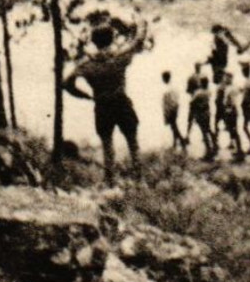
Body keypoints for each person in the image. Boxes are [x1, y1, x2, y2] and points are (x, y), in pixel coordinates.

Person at [62, 22, 150, 181]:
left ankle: (110, 181)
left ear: (95, 42)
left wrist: (86, 96)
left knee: (107, 147)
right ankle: (139, 179)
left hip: (101, 104)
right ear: (112, 39)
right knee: (133, 143)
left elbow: (67, 84)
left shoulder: (87, 65)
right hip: (121, 102)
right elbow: (138, 42)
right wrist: (142, 24)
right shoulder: (119, 57)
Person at [216, 71, 244, 161]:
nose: (225, 79)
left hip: (230, 110)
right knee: (233, 130)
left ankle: (239, 151)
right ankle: (238, 149)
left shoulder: (230, 88)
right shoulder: (232, 88)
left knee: (233, 130)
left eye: (226, 77)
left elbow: (230, 101)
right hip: (232, 110)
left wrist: (228, 108)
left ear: (229, 78)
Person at [188, 74, 216, 159]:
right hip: (207, 112)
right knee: (208, 129)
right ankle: (215, 144)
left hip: (200, 113)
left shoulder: (198, 93)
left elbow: (191, 102)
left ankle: (209, 151)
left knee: (204, 132)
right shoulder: (208, 91)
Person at [162, 71, 188, 151]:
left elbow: (167, 102)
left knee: (173, 127)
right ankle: (175, 143)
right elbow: (177, 98)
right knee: (174, 126)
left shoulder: (167, 89)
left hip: (171, 108)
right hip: (175, 107)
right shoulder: (174, 87)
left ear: (165, 78)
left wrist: (166, 112)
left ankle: (182, 141)